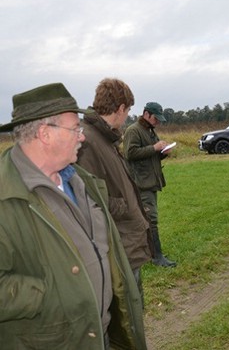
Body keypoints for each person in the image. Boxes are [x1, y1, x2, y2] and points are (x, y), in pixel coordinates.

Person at [0, 82, 146, 349]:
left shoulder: (81, 180)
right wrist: (55, 290)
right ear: (45, 134)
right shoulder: (5, 196)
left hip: (99, 336)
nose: (82, 136)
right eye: (75, 129)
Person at [77, 78, 153, 297]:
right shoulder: (88, 141)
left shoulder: (104, 136)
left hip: (125, 240)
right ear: (120, 108)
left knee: (133, 308)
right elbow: (86, 197)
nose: (127, 115)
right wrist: (124, 206)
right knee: (125, 313)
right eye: (128, 110)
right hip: (116, 245)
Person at [123, 102, 177, 267]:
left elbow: (152, 155)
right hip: (141, 183)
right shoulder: (133, 130)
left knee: (145, 220)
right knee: (151, 219)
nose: (158, 122)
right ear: (146, 114)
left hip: (151, 181)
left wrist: (163, 153)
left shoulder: (150, 130)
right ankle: (156, 256)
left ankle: (146, 253)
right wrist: (154, 147)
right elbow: (130, 153)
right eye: (156, 118)